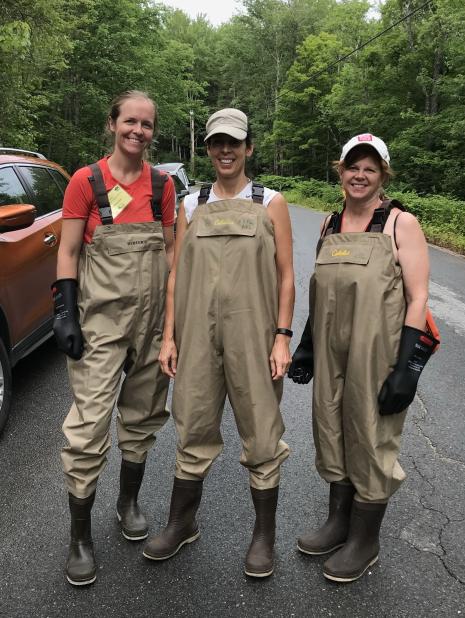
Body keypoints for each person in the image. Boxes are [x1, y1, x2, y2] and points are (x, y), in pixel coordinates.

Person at [142, 108, 294, 578]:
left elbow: (287, 276)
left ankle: (263, 536)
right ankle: (181, 522)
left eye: (234, 143)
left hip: (255, 336)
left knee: (262, 431)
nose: (225, 151)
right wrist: (169, 337)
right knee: (193, 424)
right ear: (207, 150)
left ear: (249, 148)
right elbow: (175, 277)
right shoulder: (191, 204)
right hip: (197, 337)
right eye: (216, 143)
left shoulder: (271, 202)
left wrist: (282, 337)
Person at [289, 134, 438, 583]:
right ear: (341, 171)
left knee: (371, 436)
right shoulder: (329, 225)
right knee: (331, 428)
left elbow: (419, 297)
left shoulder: (399, 224)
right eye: (353, 166)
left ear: (382, 175)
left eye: (370, 168)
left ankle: (365, 540)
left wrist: (406, 370)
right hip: (331, 349)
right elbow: (322, 294)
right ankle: (339, 523)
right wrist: (308, 345)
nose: (360, 175)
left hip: (379, 353)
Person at [52, 90, 176, 586]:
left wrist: (171, 327)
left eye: (146, 125)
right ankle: (80, 537)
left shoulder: (162, 185)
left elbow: (171, 257)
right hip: (100, 323)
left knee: (143, 416)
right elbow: (66, 252)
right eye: (130, 122)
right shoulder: (86, 181)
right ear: (112, 124)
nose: (138, 132)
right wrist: (65, 312)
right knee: (87, 426)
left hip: (151, 327)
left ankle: (127, 502)